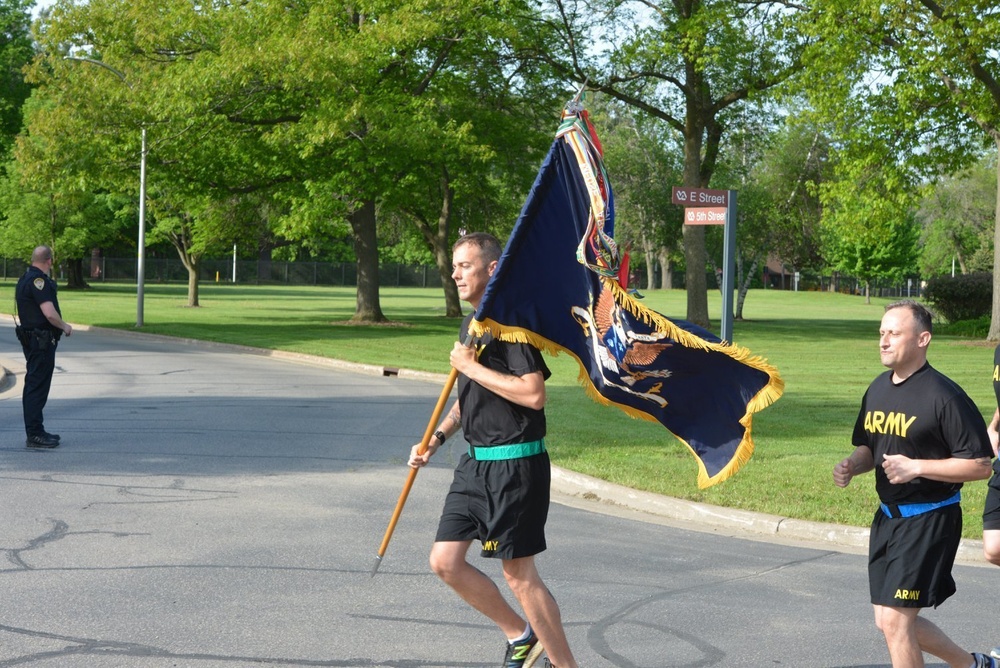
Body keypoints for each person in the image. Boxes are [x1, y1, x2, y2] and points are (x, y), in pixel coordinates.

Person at [408, 232, 577, 668]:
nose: (455, 274)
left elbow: (532, 393)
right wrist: (437, 438)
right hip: (474, 466)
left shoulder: (511, 325)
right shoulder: (473, 325)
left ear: (492, 269)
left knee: (519, 576)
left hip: (515, 465)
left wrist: (469, 365)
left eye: (464, 265)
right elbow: (469, 398)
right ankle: (520, 636)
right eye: (454, 267)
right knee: (445, 562)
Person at [833, 300, 995, 668]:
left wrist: (916, 467)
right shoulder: (878, 389)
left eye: (894, 333)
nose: (883, 341)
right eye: (881, 333)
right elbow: (870, 446)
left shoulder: (944, 396)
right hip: (888, 519)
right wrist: (851, 465)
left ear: (922, 339)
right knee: (887, 621)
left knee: (895, 620)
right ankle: (974, 665)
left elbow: (981, 466)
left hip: (929, 518)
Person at [15, 245, 72, 449]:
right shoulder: (38, 281)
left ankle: (37, 430)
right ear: (48, 260)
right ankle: (35, 435)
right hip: (41, 342)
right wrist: (64, 326)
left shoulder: (24, 279)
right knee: (36, 386)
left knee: (35, 384)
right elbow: (48, 313)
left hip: (33, 340)